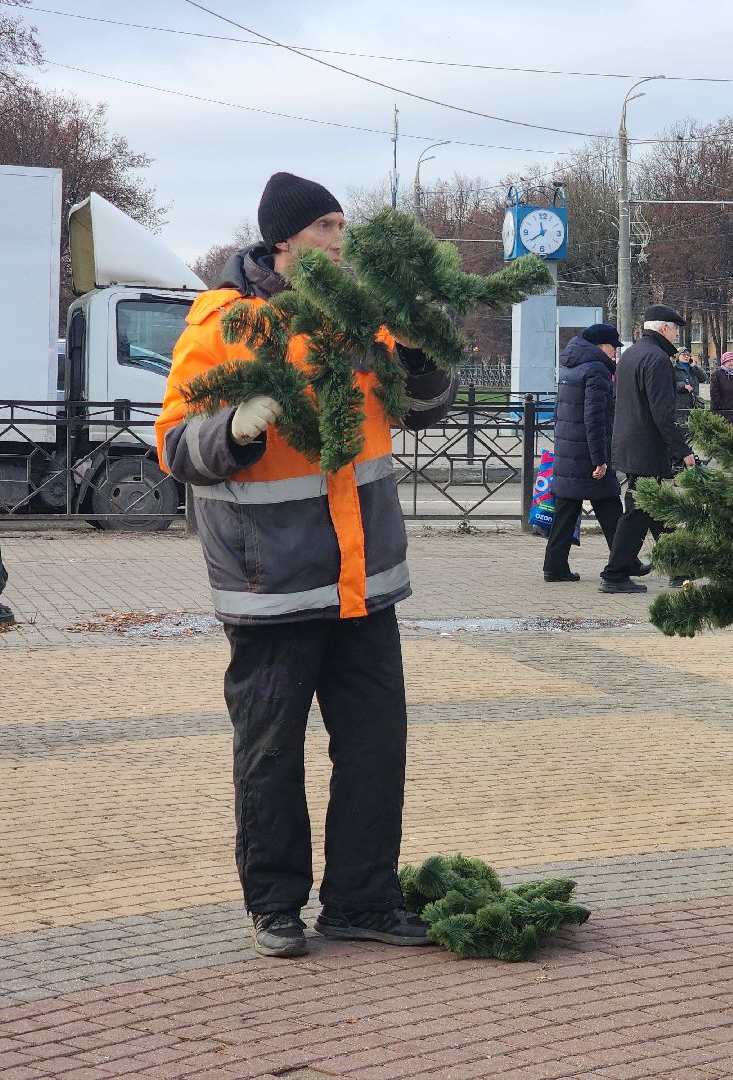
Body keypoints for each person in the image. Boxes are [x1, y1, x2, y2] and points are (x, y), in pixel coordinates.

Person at [154, 172, 457, 959]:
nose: (338, 241)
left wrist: (422, 354)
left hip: (366, 585)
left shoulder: (358, 321)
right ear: (283, 239)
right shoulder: (222, 323)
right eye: (325, 227)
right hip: (269, 583)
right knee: (269, 753)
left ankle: (361, 900)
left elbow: (421, 411)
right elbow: (175, 445)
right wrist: (236, 429)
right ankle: (275, 905)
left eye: (342, 227)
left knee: (374, 749)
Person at [600, 303, 695, 594]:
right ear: (664, 329)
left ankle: (678, 567)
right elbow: (662, 413)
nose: (677, 336)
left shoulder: (633, 354)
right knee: (641, 510)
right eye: (675, 330)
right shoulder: (657, 360)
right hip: (646, 447)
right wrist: (682, 449)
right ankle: (614, 573)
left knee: (653, 508)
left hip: (629, 444)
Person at [543, 323, 624, 582]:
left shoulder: (571, 366)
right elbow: (595, 417)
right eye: (613, 347)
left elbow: (559, 411)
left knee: (567, 510)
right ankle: (624, 561)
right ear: (601, 346)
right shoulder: (597, 369)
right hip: (589, 453)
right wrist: (600, 459)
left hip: (569, 450)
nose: (615, 353)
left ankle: (554, 567)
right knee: (611, 505)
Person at [709, 350, 733, 423]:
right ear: (724, 362)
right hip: (723, 410)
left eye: (732, 361)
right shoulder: (717, 374)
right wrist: (718, 409)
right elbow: (714, 393)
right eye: (728, 361)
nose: (731, 363)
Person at [673, 347, 707, 412]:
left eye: (688, 355)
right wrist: (683, 386)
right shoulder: (673, 369)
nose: (686, 356)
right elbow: (669, 384)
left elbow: (703, 379)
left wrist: (695, 366)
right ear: (678, 356)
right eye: (684, 354)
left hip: (695, 404)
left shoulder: (693, 368)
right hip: (680, 405)